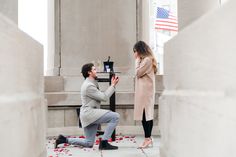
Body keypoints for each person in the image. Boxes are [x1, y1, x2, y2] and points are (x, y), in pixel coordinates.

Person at [55, 63, 120, 150]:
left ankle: (63, 139)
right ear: (89, 72)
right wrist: (112, 85)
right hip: (90, 113)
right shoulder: (89, 86)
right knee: (115, 116)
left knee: (88, 143)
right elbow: (104, 97)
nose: (96, 71)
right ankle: (104, 143)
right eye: (94, 69)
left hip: (88, 115)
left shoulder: (90, 83)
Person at [133, 41, 158, 148]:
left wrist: (137, 60)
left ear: (139, 51)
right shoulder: (146, 60)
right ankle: (148, 138)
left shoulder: (146, 60)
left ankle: (148, 138)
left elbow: (138, 73)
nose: (135, 53)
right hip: (144, 91)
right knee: (146, 114)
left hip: (146, 91)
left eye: (135, 51)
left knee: (146, 114)